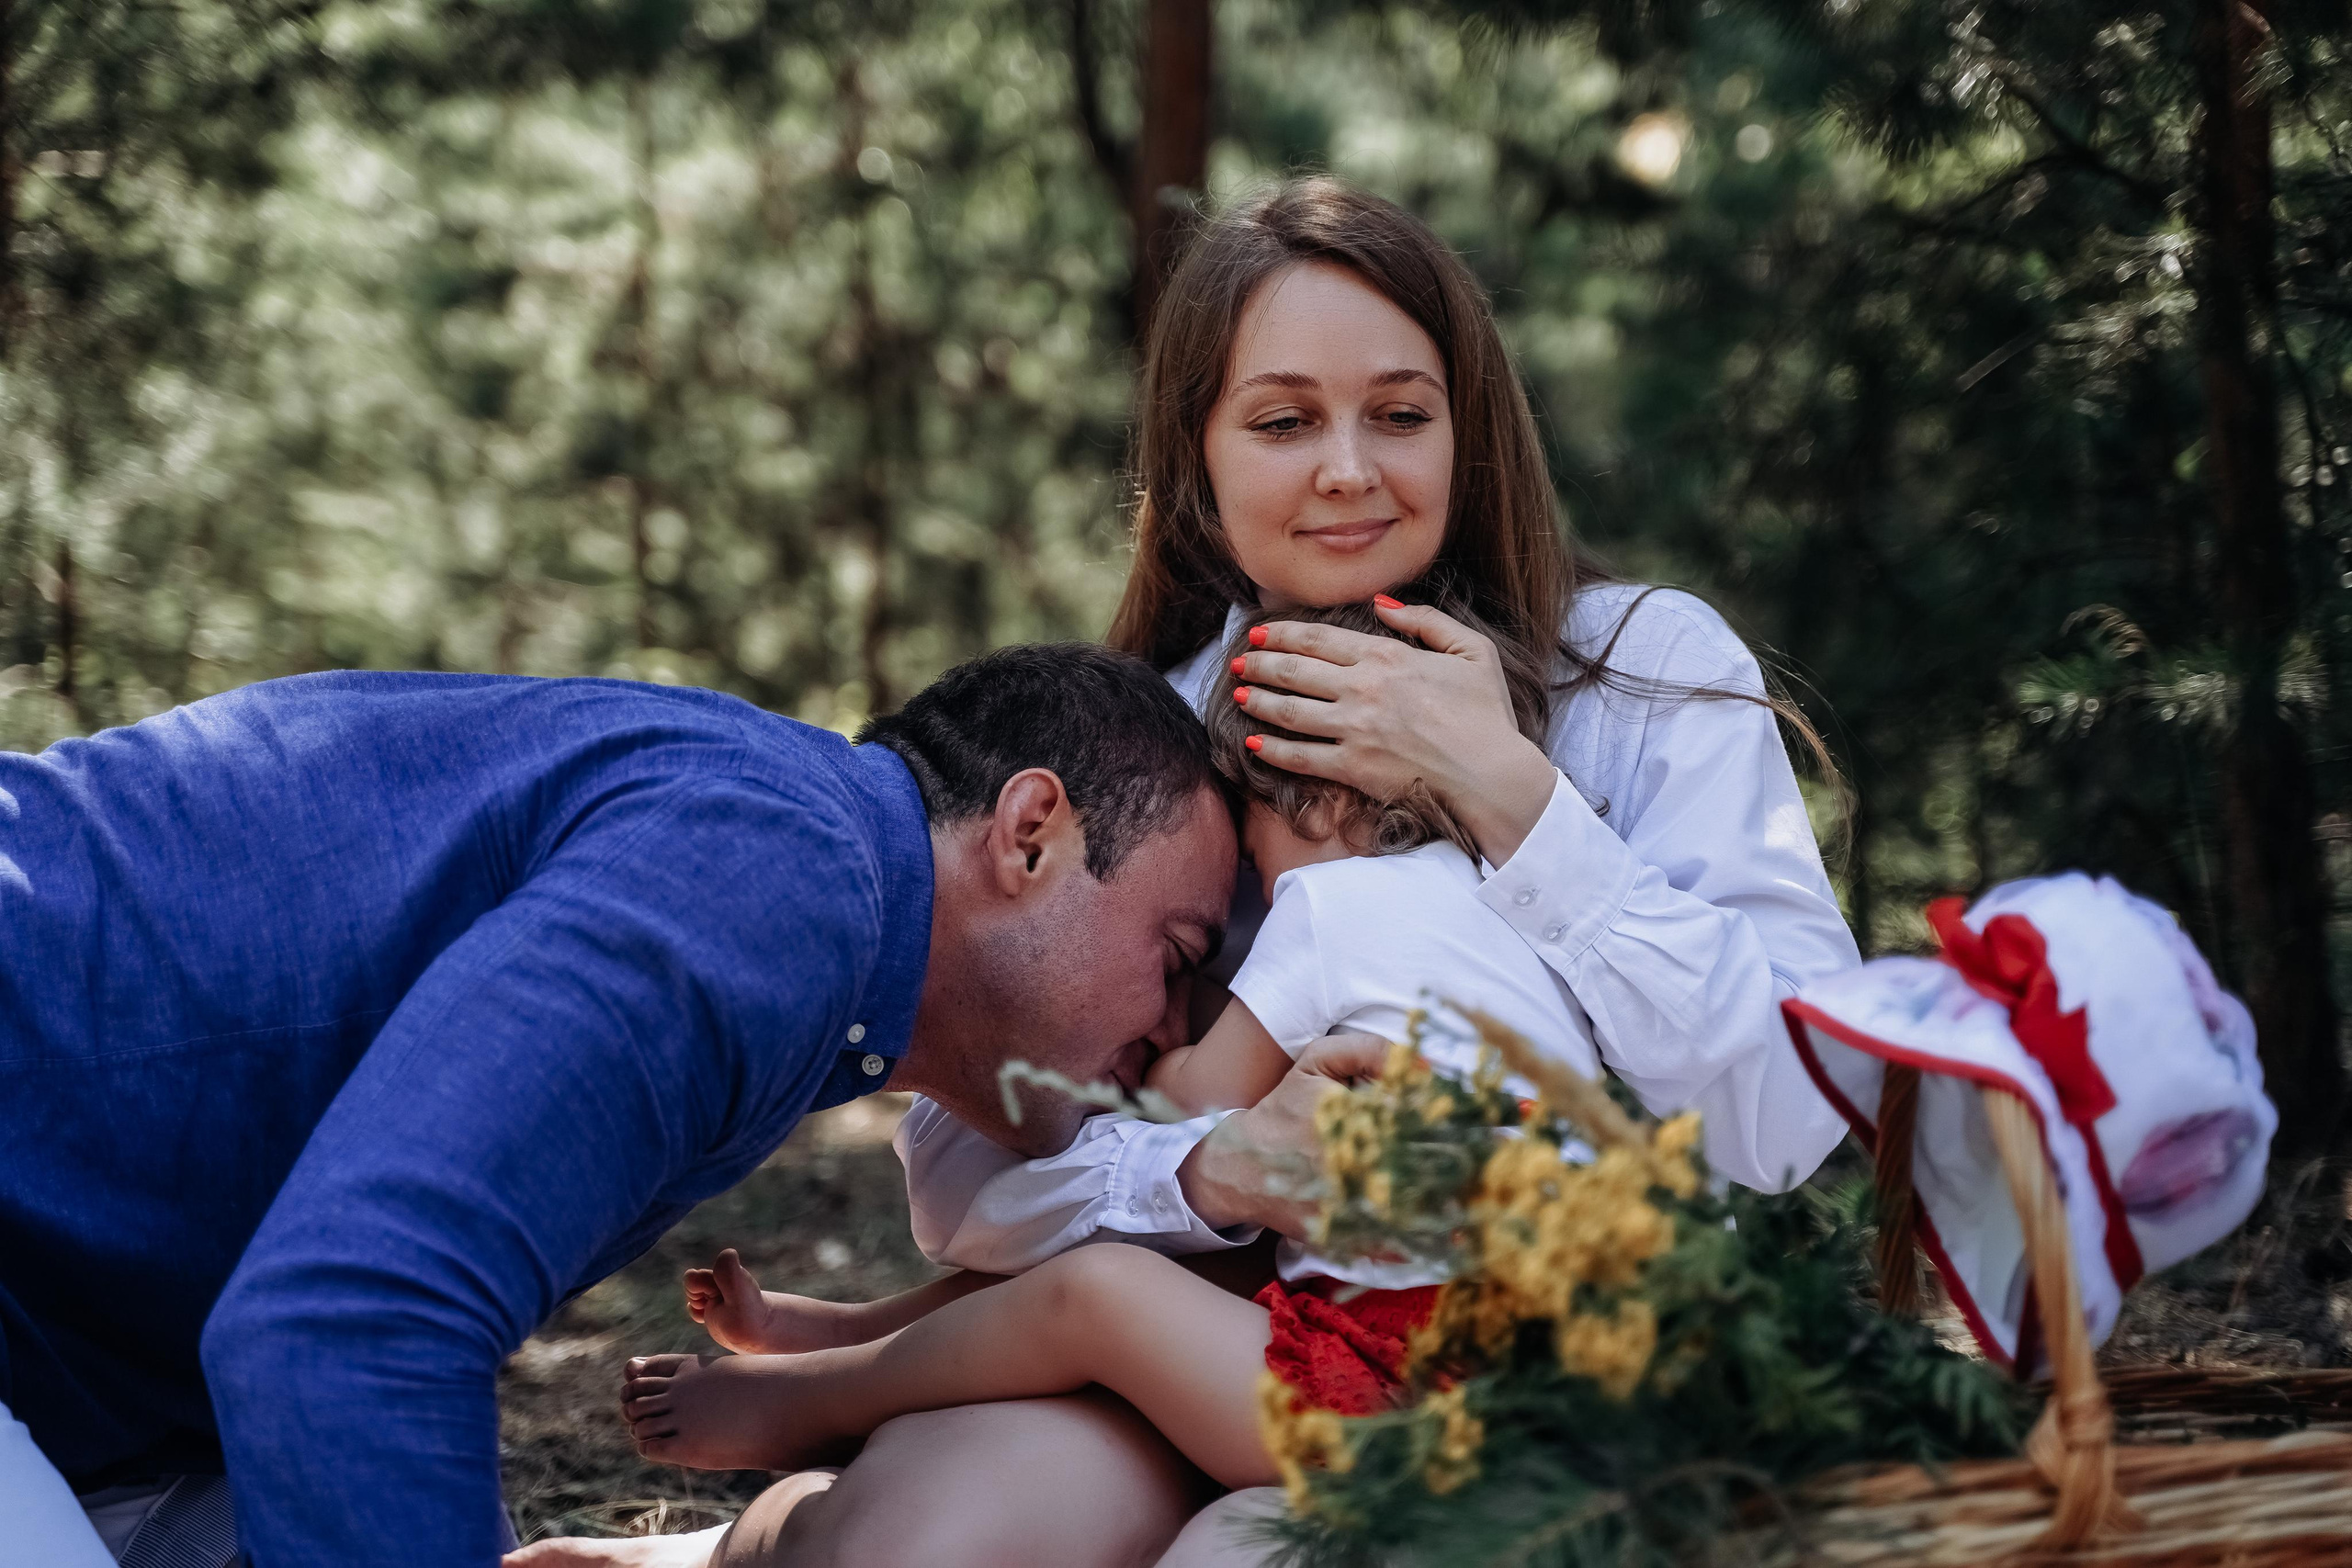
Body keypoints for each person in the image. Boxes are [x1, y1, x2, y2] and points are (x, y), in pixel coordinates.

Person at [515, 174, 1859, 1568]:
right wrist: (1206, 1173)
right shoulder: (1153, 726)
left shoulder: (1639, 667)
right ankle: (750, 1535)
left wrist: (1519, 802)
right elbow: (963, 1183)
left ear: (1469, 430)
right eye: (1283, 421)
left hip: (1558, 1385)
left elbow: (1781, 1122)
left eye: (1400, 413)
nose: (1349, 467)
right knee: (914, 1546)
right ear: (1198, 460)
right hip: (1214, 1334)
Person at [0, 644, 1239, 1568]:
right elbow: (353, 1321)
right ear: (1030, 833)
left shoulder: (800, 883)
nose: (1180, 1033)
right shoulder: (785, 878)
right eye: (1179, 956)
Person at [596, 602, 1577, 1504]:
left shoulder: (1335, 903)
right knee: (1184, 1245)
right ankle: (840, 1335)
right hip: (1545, 1386)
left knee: (1096, 1291)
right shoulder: (1525, 922)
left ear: (1313, 801)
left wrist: (1176, 1044)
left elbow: (1190, 1096)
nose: (1255, 893)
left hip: (1383, 1395)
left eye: (1248, 840)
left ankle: (815, 1402)